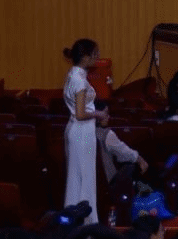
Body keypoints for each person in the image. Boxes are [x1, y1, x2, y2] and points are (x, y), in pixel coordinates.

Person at [63, 38, 108, 221]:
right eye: (95, 54)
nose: (98, 57)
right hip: (82, 132)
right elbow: (81, 113)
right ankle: (86, 221)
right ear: (85, 57)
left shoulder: (74, 74)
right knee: (84, 178)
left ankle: (78, 219)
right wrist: (99, 114)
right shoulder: (79, 79)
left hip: (79, 131)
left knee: (78, 178)